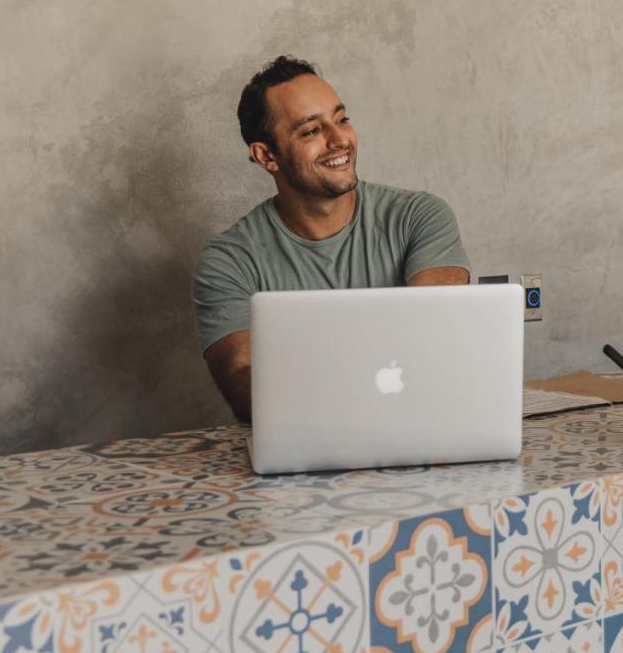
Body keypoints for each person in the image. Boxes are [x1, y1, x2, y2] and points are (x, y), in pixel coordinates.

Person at [193, 56, 471, 422]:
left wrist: (313, 371)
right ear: (266, 155)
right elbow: (245, 392)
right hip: (303, 450)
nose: (340, 140)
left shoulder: (420, 216)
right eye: (311, 131)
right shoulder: (228, 262)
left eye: (341, 120)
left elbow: (440, 337)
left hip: (423, 427)